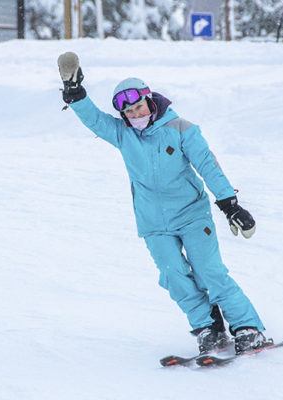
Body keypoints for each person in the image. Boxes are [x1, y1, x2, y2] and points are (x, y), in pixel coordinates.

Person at [57, 52, 269, 355]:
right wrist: (75, 93)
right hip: (153, 222)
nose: (135, 114)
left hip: (192, 215)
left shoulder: (182, 129)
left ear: (151, 101)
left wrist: (229, 204)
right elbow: (93, 118)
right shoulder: (122, 134)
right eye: (128, 112)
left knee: (210, 272)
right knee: (173, 275)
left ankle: (248, 327)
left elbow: (208, 166)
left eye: (139, 106)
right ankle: (208, 328)